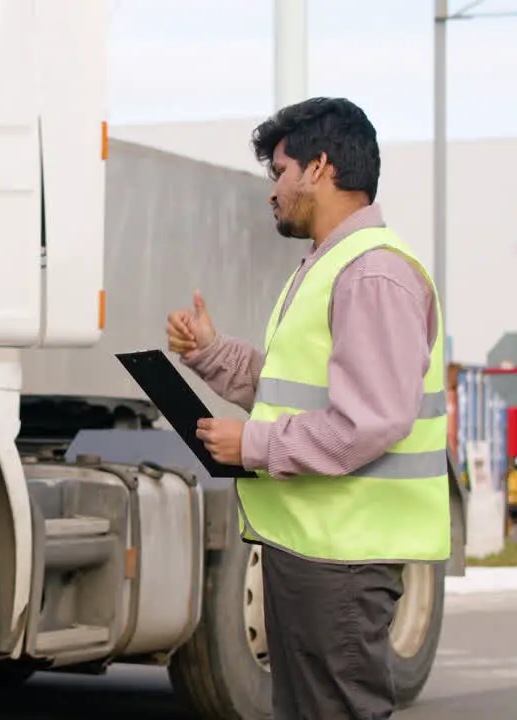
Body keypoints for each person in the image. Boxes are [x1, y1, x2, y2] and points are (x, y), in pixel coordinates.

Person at [166, 97, 450, 719]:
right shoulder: (331, 266)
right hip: (319, 550)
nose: (272, 191)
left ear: (319, 167)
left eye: (280, 172)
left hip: (345, 556)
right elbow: (287, 386)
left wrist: (255, 446)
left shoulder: (372, 273)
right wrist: (211, 353)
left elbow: (370, 420)